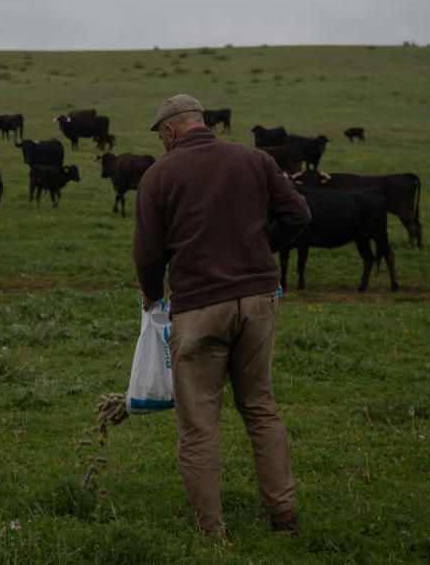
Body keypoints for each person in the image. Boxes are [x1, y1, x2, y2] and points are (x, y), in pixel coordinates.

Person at [132, 94, 311, 537]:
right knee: (260, 406)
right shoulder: (256, 159)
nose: (160, 143)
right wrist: (260, 251)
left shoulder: (158, 176)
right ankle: (283, 516)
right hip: (258, 300)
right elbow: (299, 214)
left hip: (198, 308)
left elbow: (148, 254)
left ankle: (212, 532)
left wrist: (154, 300)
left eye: (159, 136)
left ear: (171, 130)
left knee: (198, 423)